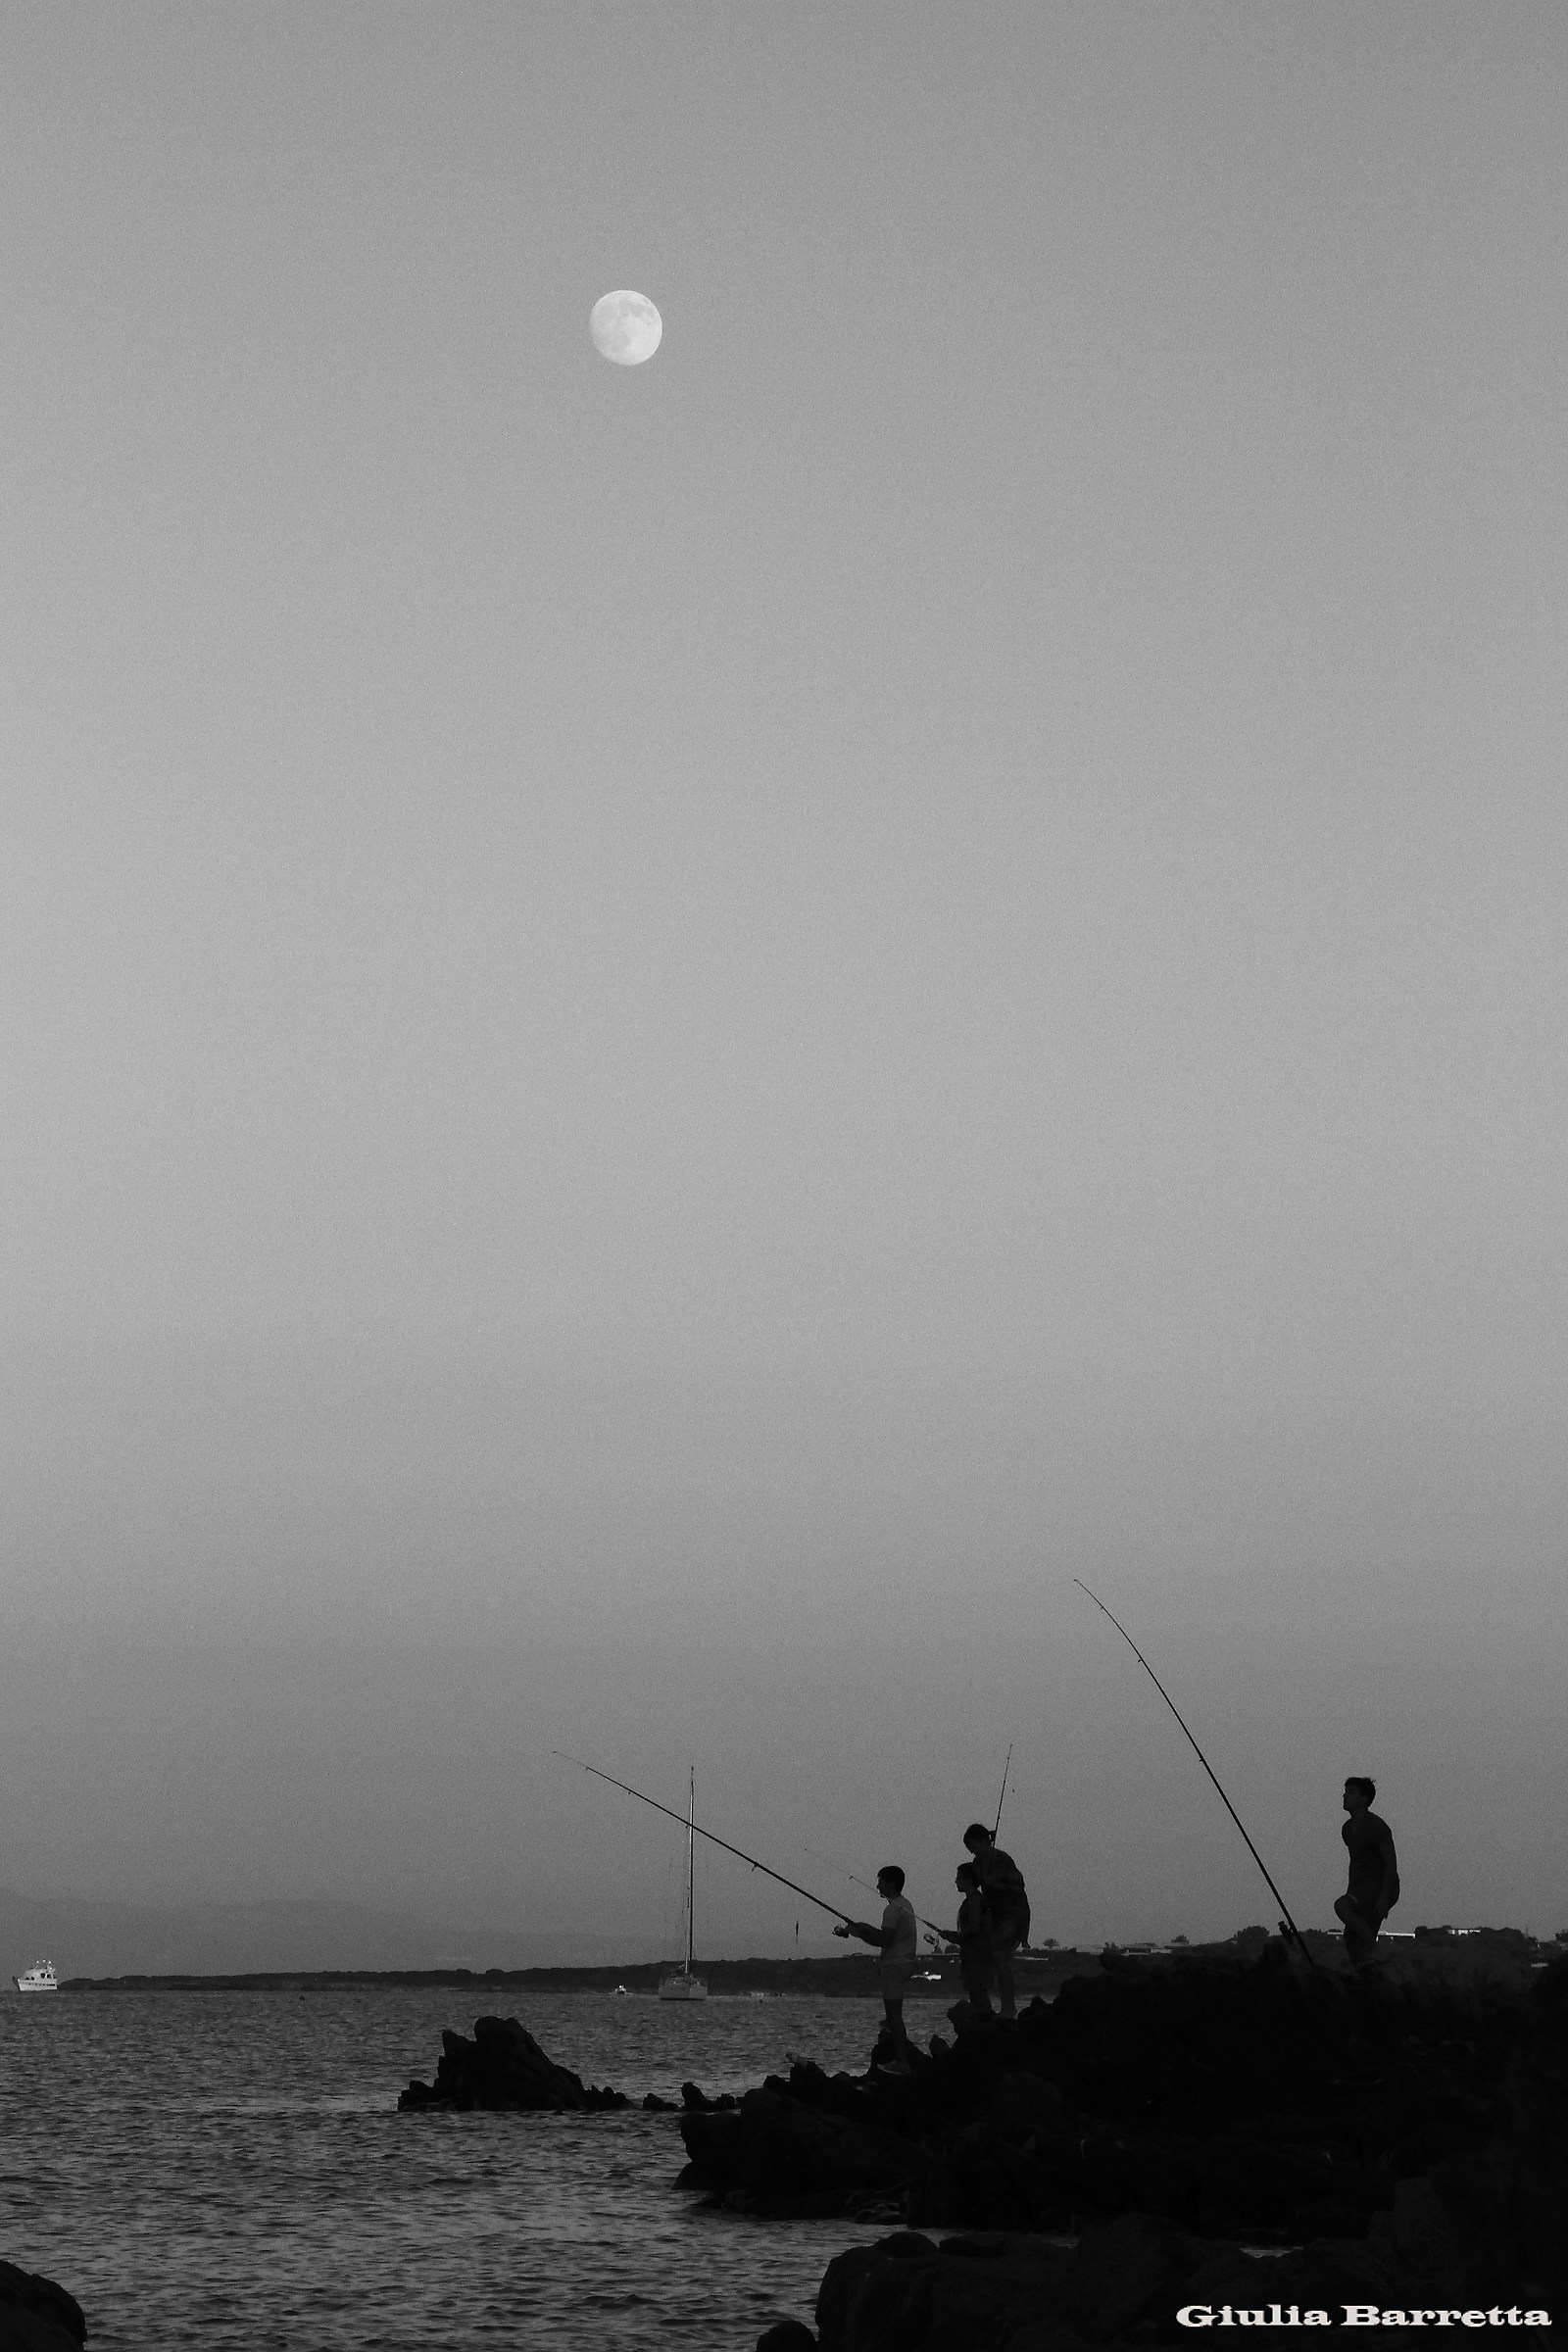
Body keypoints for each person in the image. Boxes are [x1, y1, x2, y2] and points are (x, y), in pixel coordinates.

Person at [833, 1865, 917, 2073]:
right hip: (902, 1964)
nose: (877, 1885)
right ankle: (896, 2054)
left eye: (880, 1881)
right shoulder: (904, 1905)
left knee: (894, 2017)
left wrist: (860, 1933)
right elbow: (886, 1936)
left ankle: (902, 2061)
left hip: (895, 1966)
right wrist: (861, 1928)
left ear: (891, 1883)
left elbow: (884, 1940)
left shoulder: (892, 1909)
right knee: (890, 2018)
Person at [962, 1822, 1030, 2020]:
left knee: (1000, 1955)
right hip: (995, 1915)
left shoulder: (1002, 1858)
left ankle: (1009, 2008)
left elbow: (1019, 1886)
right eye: (971, 1849)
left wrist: (996, 1883)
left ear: (986, 1841)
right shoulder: (976, 1864)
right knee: (995, 1957)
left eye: (976, 1846)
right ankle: (992, 2005)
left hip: (1013, 1913)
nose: (974, 1851)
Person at [1334, 1777, 1399, 1973]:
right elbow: (1355, 1865)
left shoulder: (1376, 1826)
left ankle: (1374, 1949)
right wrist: (1351, 1891)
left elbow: (1391, 1865)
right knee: (1351, 1938)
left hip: (1381, 1887)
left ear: (1364, 1798)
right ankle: (1368, 1975)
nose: (1345, 1795)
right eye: (1345, 1791)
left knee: (1341, 1906)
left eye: (1351, 1791)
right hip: (1361, 1889)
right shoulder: (1347, 1830)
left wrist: (1382, 1898)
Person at [939, 1861, 995, 2014]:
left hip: (978, 1957)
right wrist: (953, 1935)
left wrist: (955, 1938)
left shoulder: (975, 1901)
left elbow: (974, 1928)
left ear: (968, 1880)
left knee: (978, 1995)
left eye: (959, 1878)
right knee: (976, 1994)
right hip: (974, 1956)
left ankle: (988, 2025)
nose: (956, 1881)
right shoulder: (974, 1900)